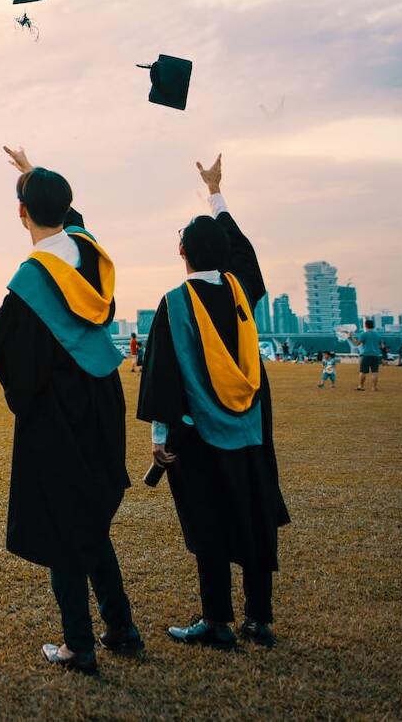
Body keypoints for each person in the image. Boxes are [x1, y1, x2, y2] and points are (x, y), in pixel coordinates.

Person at [0, 147, 138, 675]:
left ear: (21, 213)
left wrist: (26, 400)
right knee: (91, 519)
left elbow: (2, 346)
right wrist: (32, 174)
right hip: (104, 395)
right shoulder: (92, 255)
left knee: (62, 524)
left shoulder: (31, 282)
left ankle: (79, 645)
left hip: (57, 412)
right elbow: (70, 220)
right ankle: (120, 626)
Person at [138, 154, 290, 651]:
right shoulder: (242, 292)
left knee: (208, 523)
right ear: (225, 255)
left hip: (198, 435)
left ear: (181, 250)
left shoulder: (175, 302)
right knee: (254, 516)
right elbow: (245, 255)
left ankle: (218, 622)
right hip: (250, 432)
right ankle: (260, 620)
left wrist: (159, 438)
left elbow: (162, 376)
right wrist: (216, 192)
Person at [354, 319, 382, 391]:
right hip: (375, 355)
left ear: (365, 325)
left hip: (366, 355)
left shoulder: (364, 334)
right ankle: (374, 387)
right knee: (374, 372)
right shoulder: (378, 335)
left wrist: (351, 337)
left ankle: (361, 386)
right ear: (373, 326)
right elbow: (381, 346)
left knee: (363, 371)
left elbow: (357, 344)